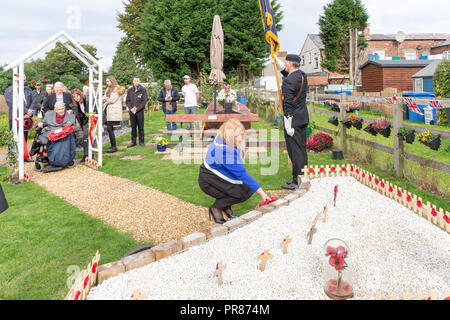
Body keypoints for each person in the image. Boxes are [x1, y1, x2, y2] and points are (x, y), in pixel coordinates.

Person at [198, 119, 271, 224]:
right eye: (237, 136)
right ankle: (216, 208)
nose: (241, 139)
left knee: (243, 188)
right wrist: (262, 193)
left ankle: (226, 206)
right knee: (241, 192)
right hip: (209, 180)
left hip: (216, 174)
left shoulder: (223, 138)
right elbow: (242, 174)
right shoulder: (225, 151)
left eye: (241, 134)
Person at [276, 53, 309, 190]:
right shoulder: (302, 75)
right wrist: (277, 63)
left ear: (290, 64)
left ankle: (297, 180)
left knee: (295, 151)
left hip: (293, 120)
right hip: (302, 117)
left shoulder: (289, 81)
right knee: (301, 149)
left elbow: (288, 103)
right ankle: (302, 176)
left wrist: (288, 124)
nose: (284, 63)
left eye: (285, 62)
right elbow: (288, 74)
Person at [35, 102, 77, 168]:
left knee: (66, 139)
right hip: (52, 133)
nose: (61, 111)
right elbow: (42, 122)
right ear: (55, 110)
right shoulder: (48, 114)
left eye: (62, 108)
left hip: (65, 134)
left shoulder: (71, 116)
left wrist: (69, 129)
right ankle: (55, 161)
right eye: (59, 109)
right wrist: (39, 124)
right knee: (54, 140)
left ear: (65, 108)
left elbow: (75, 127)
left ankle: (65, 160)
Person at [4, 73, 36, 160]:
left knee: (24, 135)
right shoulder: (9, 90)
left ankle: (24, 156)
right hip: (14, 117)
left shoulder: (28, 90)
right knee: (13, 136)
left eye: (24, 80)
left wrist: (29, 112)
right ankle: (12, 157)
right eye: (21, 80)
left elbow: (34, 100)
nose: (23, 82)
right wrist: (26, 111)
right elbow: (12, 104)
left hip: (26, 118)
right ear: (16, 80)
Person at [103, 76, 125, 153]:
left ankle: (113, 146)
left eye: (108, 81)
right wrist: (105, 99)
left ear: (112, 81)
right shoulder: (108, 89)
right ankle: (113, 146)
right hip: (108, 111)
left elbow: (112, 99)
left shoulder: (117, 88)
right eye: (106, 82)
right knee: (110, 129)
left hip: (113, 111)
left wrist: (106, 99)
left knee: (109, 128)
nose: (107, 83)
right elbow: (104, 97)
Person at [126, 76, 148, 147]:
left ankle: (141, 142)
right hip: (132, 111)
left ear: (139, 81)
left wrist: (137, 109)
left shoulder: (143, 90)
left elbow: (144, 101)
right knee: (133, 127)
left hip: (139, 111)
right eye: (135, 81)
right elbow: (127, 100)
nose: (136, 82)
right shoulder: (130, 90)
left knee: (141, 127)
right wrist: (131, 108)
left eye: (137, 81)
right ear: (133, 81)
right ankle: (133, 142)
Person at [71, 88, 90, 162]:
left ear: (80, 94)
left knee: (87, 136)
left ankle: (88, 154)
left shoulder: (87, 100)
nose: (76, 98)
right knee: (85, 136)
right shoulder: (76, 104)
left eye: (77, 96)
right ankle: (86, 154)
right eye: (74, 97)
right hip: (85, 121)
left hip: (92, 119)